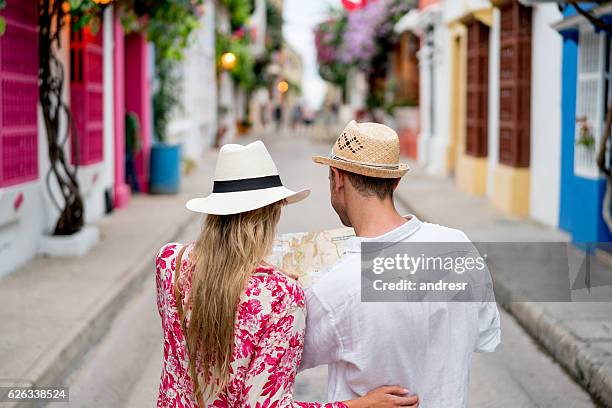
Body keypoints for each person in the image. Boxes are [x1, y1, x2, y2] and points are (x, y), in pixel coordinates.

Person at [155, 140, 420, 407]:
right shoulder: (281, 296)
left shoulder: (169, 263)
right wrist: (360, 405)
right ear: (271, 213)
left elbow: (221, 281)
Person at [303, 120, 501, 407]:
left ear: (338, 177)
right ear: (395, 181)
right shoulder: (458, 246)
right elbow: (484, 335)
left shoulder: (333, 289)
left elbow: (279, 362)